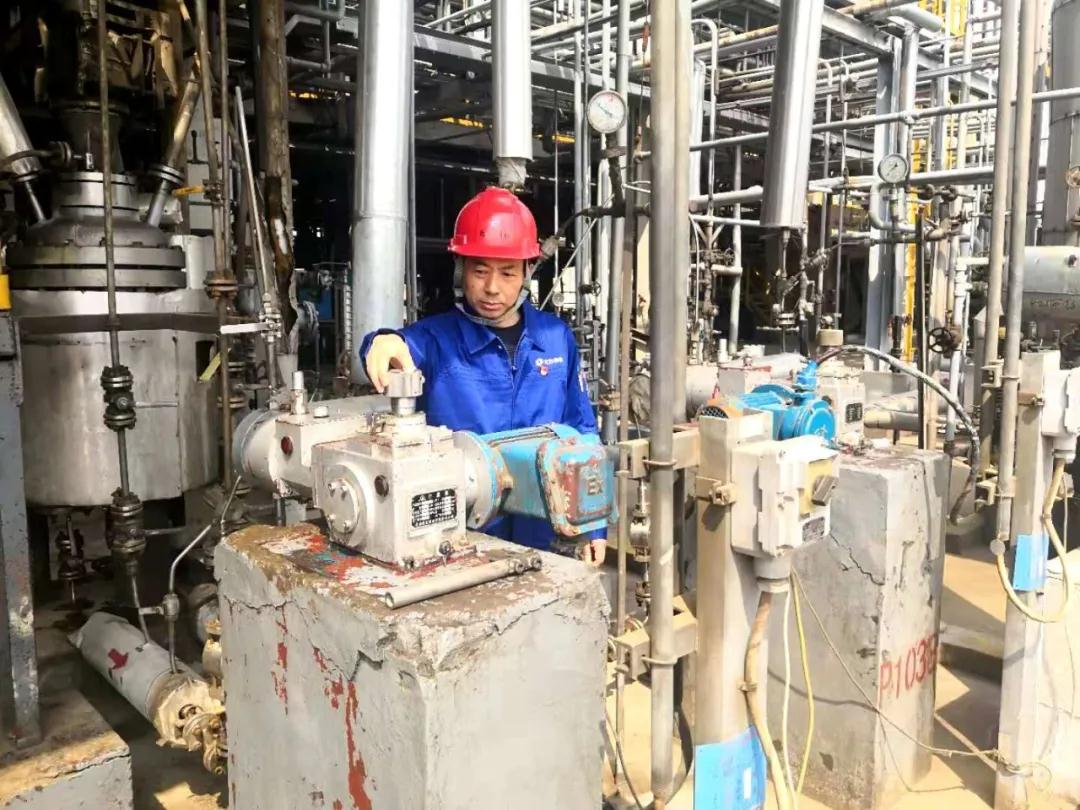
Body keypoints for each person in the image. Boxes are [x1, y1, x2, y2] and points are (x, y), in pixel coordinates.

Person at [359, 187, 606, 565]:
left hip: (546, 528)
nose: (492, 287)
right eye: (479, 271)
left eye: (507, 273)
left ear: (526, 272)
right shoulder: (438, 340)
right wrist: (382, 342)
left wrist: (593, 523)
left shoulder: (555, 338)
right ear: (461, 270)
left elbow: (582, 431)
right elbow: (400, 346)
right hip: (462, 535)